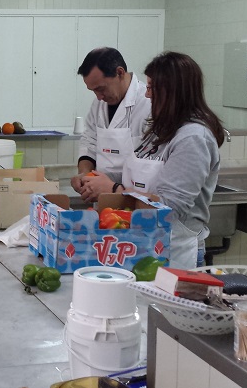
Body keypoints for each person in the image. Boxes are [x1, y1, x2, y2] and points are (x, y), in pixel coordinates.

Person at [82, 52, 225, 269]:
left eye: (151, 88)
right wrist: (98, 179)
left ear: (173, 91)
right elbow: (140, 174)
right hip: (146, 244)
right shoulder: (162, 130)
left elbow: (169, 208)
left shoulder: (193, 138)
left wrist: (113, 188)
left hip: (174, 250)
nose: (147, 95)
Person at [70, 47, 152, 202]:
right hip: (103, 200)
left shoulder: (147, 104)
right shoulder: (98, 104)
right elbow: (90, 142)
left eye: (101, 89)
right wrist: (84, 174)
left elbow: (149, 165)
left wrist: (111, 186)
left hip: (135, 200)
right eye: (93, 91)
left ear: (119, 73)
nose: (99, 97)